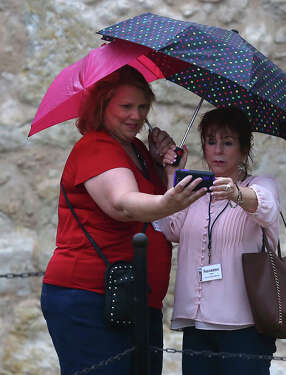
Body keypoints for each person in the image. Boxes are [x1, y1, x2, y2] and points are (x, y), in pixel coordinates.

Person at [40, 65, 207, 375]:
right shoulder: (96, 147)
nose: (136, 115)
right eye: (126, 106)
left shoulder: (138, 150)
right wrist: (167, 200)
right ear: (102, 106)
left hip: (134, 299)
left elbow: (162, 224)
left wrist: (167, 169)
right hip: (90, 299)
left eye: (143, 106)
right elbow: (123, 205)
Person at [159, 107, 280, 375]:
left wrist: (236, 193)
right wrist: (172, 176)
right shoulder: (195, 189)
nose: (218, 150)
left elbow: (267, 206)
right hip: (196, 322)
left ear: (244, 149)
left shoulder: (261, 184)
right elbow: (170, 229)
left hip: (244, 325)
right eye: (211, 142)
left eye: (227, 142)